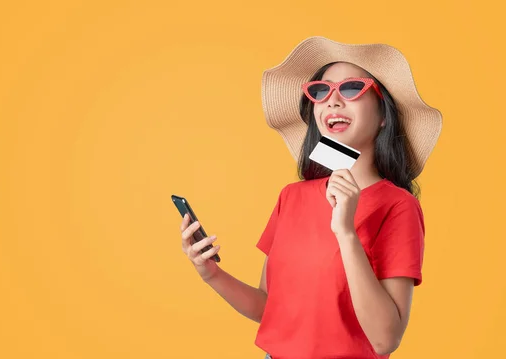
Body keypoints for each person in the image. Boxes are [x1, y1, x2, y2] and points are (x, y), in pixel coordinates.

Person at [179, 36, 442, 359]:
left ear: (384, 114)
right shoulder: (292, 197)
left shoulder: (398, 205)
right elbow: (269, 308)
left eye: (350, 88)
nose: (332, 101)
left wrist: (346, 231)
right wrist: (211, 274)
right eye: (321, 91)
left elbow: (385, 340)